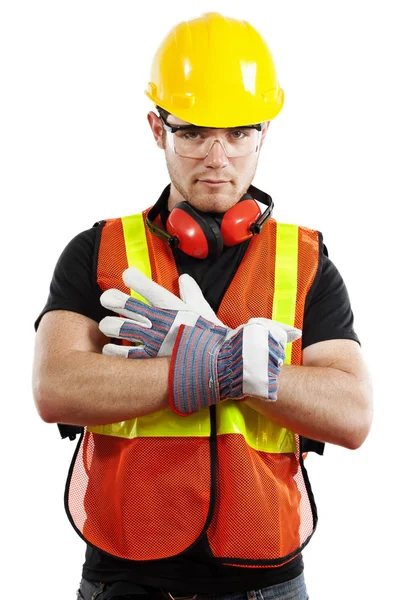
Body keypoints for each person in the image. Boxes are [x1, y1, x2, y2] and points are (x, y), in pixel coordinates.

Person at [32, 12, 373, 600]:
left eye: (239, 133)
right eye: (193, 133)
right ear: (157, 128)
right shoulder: (98, 250)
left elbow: (352, 414)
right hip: (125, 575)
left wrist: (239, 367)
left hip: (266, 578)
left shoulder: (305, 259)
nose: (217, 157)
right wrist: (196, 370)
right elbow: (55, 387)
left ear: (265, 131)